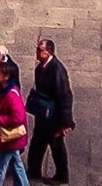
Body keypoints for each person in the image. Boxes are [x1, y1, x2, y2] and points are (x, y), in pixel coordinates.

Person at [26, 38, 74, 185]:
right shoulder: (41, 67)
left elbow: (65, 97)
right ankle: (33, 170)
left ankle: (62, 176)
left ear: (49, 52)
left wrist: (66, 123)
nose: (37, 52)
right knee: (37, 142)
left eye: (40, 50)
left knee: (56, 145)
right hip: (43, 114)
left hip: (54, 117)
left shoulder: (57, 70)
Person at [0, 59, 30, 186]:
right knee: (17, 165)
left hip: (10, 139)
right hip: (12, 139)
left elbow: (18, 118)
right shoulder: (4, 89)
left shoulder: (11, 95)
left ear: (6, 77)